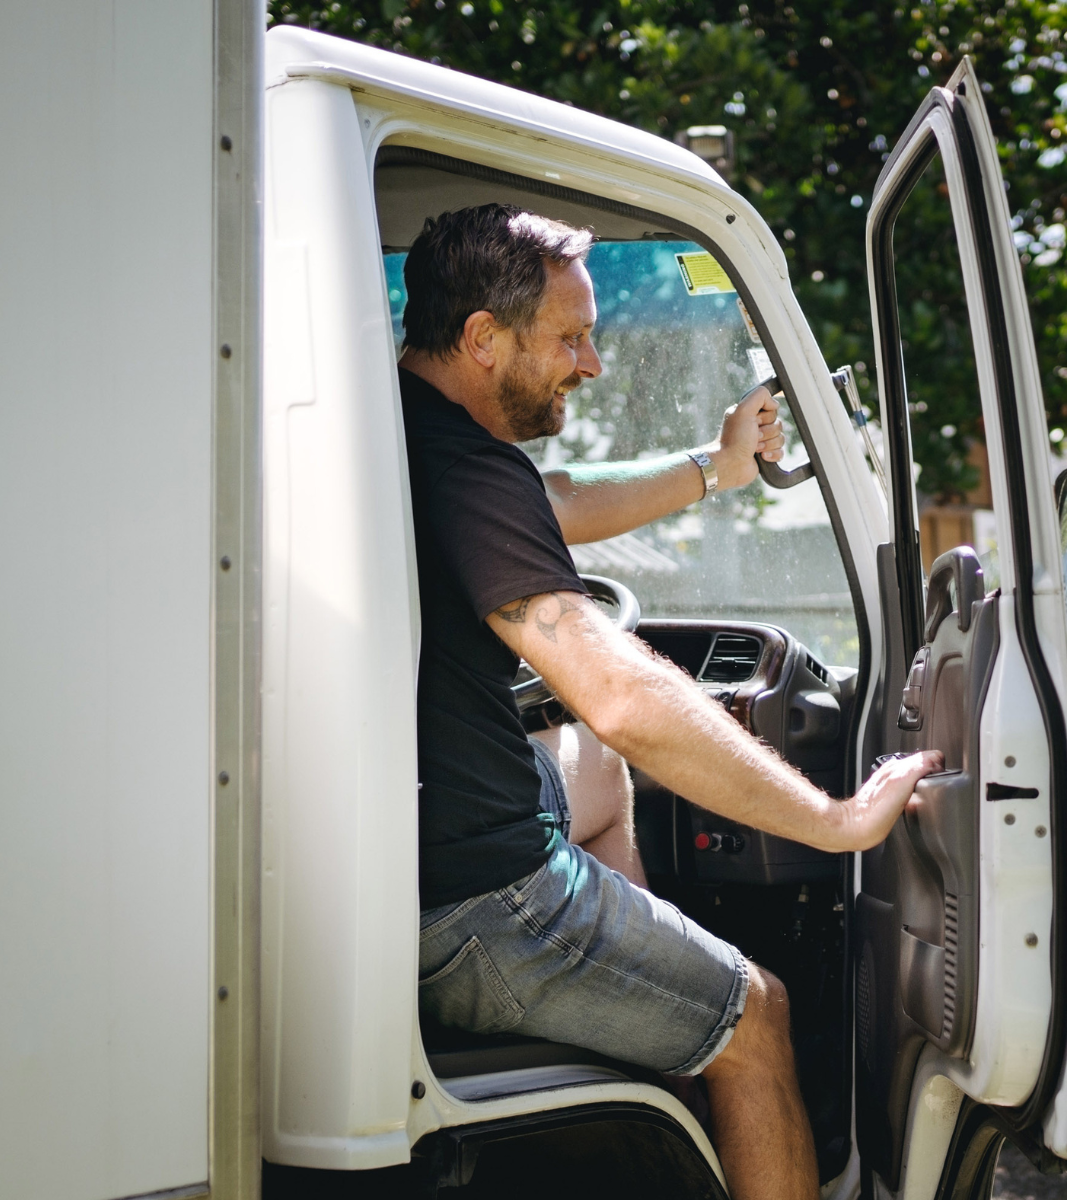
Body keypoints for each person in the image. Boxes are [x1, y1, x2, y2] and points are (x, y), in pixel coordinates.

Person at [397, 203, 940, 1200]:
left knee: (594, 774)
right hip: (477, 898)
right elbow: (617, 696)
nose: (593, 363)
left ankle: (652, 1045)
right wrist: (832, 820)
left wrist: (715, 469)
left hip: (408, 848)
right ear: (482, 338)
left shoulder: (401, 428)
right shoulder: (469, 468)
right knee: (757, 1012)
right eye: (570, 338)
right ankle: (699, 1037)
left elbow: (556, 500)